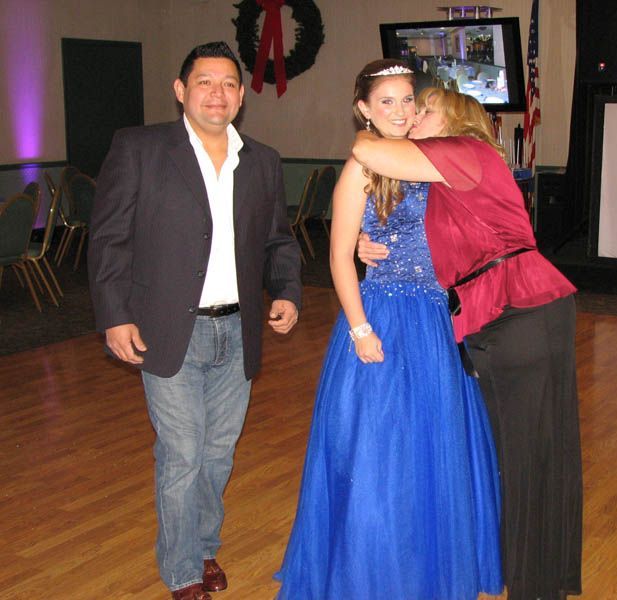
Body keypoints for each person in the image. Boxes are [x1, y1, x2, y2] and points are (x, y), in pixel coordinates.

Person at [275, 60, 502, 599]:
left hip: (435, 320)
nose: (401, 112)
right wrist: (359, 329)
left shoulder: (430, 158)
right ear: (364, 110)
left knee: (433, 448)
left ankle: (427, 567)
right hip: (380, 317)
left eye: (408, 101)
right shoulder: (362, 166)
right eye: (387, 103)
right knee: (378, 452)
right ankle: (371, 571)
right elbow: (336, 259)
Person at [87, 41, 302, 600]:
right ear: (181, 91)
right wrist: (115, 315)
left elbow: (278, 239)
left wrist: (287, 291)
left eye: (229, 83)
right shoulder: (139, 148)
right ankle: (183, 569)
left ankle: (206, 546)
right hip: (166, 326)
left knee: (218, 451)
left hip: (237, 328)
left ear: (241, 97)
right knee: (182, 452)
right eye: (205, 82)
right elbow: (108, 238)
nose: (218, 93)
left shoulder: (263, 160)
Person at [355, 87, 583, 600]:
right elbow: (419, 244)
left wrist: (374, 116)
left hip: (519, 310)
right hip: (500, 315)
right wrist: (362, 244)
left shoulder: (467, 152)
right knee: (520, 455)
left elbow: (367, 151)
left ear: (456, 119)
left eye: (423, 107)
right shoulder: (444, 176)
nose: (412, 114)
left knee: (528, 460)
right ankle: (538, 578)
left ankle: (536, 588)